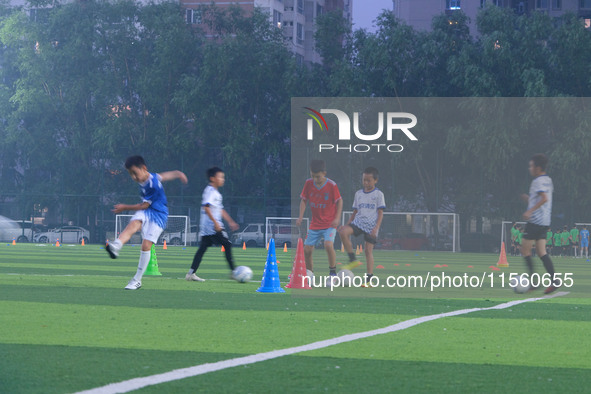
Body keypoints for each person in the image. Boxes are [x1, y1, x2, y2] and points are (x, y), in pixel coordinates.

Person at [106, 155, 188, 290]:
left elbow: (144, 206)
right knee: (133, 224)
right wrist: (178, 174)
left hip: (158, 215)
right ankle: (116, 246)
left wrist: (124, 207)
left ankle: (137, 280)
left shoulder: (152, 185)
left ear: (143, 168)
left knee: (145, 245)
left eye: (135, 173)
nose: (134, 177)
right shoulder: (150, 177)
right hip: (147, 210)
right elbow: (163, 176)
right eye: (130, 174)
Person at [186, 167, 239, 282]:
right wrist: (216, 223)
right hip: (212, 227)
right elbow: (206, 207)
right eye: (220, 177)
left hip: (207, 227)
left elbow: (220, 209)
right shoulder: (210, 191)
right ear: (212, 178)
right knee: (227, 244)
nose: (222, 179)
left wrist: (230, 221)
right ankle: (234, 272)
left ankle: (191, 273)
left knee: (202, 249)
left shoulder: (215, 192)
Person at [338, 167, 386, 286]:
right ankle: (352, 259)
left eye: (368, 180)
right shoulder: (358, 194)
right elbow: (355, 211)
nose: (366, 183)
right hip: (358, 223)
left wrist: (376, 227)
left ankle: (368, 280)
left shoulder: (378, 194)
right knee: (343, 232)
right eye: (364, 180)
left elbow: (380, 213)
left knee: (368, 251)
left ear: (375, 180)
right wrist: (348, 224)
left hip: (371, 226)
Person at [520, 153, 559, 294]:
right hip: (544, 221)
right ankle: (554, 281)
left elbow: (544, 199)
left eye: (531, 166)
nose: (530, 168)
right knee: (542, 252)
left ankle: (533, 282)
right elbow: (540, 199)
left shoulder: (538, 181)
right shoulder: (548, 180)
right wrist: (529, 200)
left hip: (535, 221)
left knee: (525, 250)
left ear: (537, 167)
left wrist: (529, 211)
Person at [296, 160, 342, 276]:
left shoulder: (332, 185)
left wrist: (337, 218)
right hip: (315, 224)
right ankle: (310, 274)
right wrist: (300, 216)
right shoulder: (308, 183)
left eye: (318, 177)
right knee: (307, 250)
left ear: (324, 173)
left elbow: (339, 201)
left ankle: (332, 273)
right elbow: (303, 200)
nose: (315, 179)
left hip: (329, 224)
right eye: (313, 176)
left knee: (328, 245)